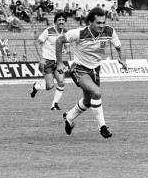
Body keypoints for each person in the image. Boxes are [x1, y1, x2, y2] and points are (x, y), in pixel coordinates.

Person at [56, 7, 126, 139]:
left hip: (95, 70)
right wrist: (60, 62)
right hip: (79, 69)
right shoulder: (79, 33)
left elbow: (119, 46)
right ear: (91, 23)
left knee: (88, 101)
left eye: (103, 22)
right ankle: (103, 127)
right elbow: (59, 40)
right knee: (97, 92)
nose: (102, 25)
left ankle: (69, 117)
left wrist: (122, 58)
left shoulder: (109, 31)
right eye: (98, 23)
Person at [30, 11, 68, 110]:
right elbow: (37, 43)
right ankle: (37, 86)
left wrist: (66, 50)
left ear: (65, 21)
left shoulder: (65, 32)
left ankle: (54, 105)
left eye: (63, 20)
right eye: (59, 20)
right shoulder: (48, 31)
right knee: (50, 86)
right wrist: (41, 58)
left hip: (58, 62)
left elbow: (66, 46)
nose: (61, 21)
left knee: (61, 82)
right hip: (47, 61)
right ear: (55, 21)